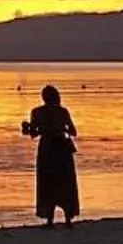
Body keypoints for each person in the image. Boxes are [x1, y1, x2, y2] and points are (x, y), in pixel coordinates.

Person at [20, 84, 80, 226]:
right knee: (65, 182)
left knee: (48, 182)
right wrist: (60, 127)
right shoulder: (62, 111)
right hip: (62, 149)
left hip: (47, 149)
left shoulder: (37, 112)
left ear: (43, 97)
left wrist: (27, 127)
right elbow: (73, 131)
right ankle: (67, 219)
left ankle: (49, 220)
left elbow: (33, 133)